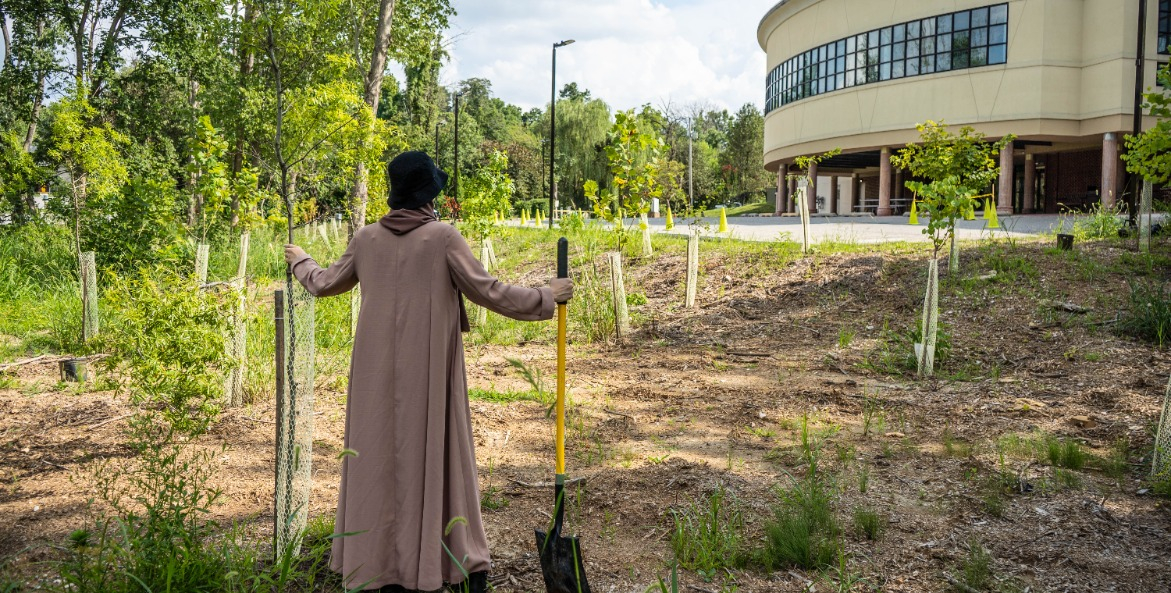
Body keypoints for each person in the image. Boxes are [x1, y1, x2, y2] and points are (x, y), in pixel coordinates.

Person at [283, 151, 572, 592]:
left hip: (374, 378)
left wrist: (301, 259)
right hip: (430, 375)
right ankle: (448, 562)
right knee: (439, 455)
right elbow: (489, 291)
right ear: (429, 196)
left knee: (377, 460)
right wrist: (546, 295)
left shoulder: (366, 239)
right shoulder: (442, 237)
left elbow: (323, 284)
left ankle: (378, 566)